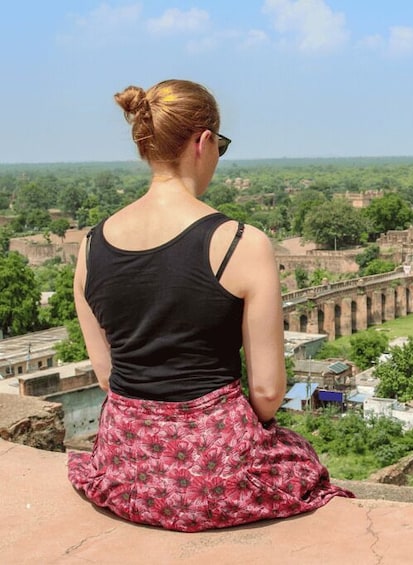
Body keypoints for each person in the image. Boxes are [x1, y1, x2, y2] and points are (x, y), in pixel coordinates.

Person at [67, 79, 353, 532]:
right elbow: (267, 394)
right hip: (216, 473)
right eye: (220, 145)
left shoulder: (89, 247)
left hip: (126, 468)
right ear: (203, 143)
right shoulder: (240, 242)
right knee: (302, 461)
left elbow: (107, 376)